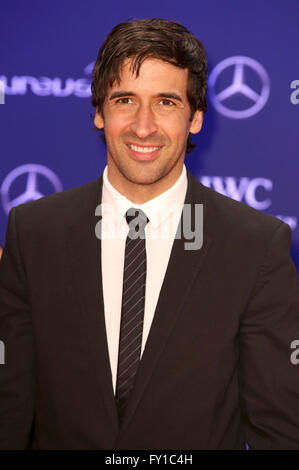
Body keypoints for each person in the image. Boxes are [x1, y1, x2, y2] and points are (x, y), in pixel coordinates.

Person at [1, 18, 299, 451]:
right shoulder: (33, 235)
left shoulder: (256, 247)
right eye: (125, 100)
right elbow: (8, 413)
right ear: (100, 112)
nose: (143, 127)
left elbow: (281, 431)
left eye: (166, 102)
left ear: (196, 117)